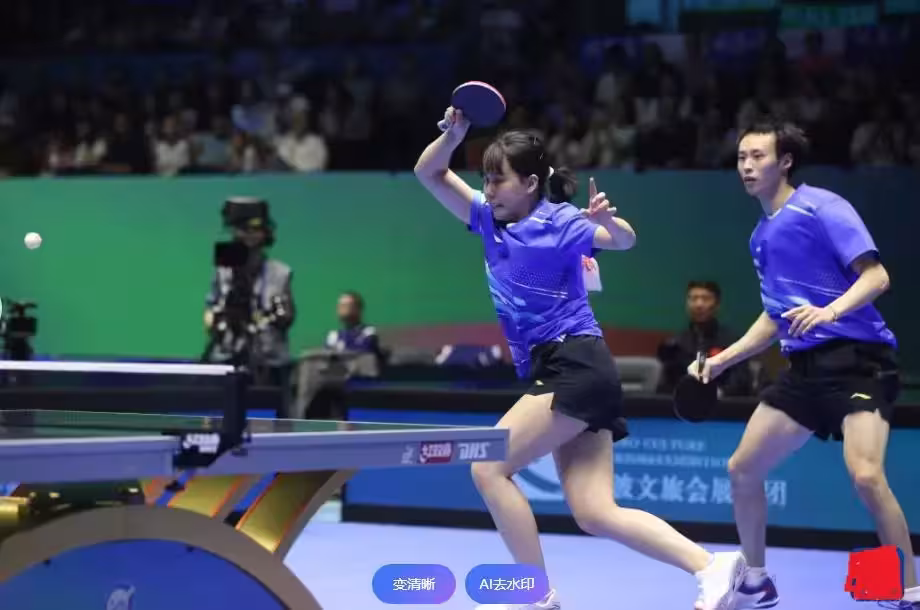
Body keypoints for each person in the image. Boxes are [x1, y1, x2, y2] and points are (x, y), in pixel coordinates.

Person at [414, 107, 745, 610]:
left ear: (530, 183)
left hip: (576, 363)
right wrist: (454, 135)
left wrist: (608, 221)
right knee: (594, 511)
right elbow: (429, 172)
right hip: (566, 368)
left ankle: (534, 593)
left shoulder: (560, 221)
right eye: (485, 178)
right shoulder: (486, 218)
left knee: (488, 468)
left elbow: (624, 239)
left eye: (498, 179)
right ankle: (711, 566)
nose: (489, 188)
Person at [689, 117, 918, 609]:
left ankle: (907, 589)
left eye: (758, 156)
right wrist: (723, 360)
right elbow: (777, 317)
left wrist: (830, 311)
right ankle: (756, 582)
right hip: (805, 371)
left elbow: (876, 277)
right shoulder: (760, 237)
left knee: (865, 475)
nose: (747, 166)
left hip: (859, 361)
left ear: (786, 162)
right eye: (741, 157)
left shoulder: (822, 207)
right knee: (742, 468)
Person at [658, 280, 753, 396]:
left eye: (706, 299)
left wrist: (719, 393)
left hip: (723, 401)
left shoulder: (732, 341)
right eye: (693, 298)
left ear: (717, 305)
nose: (699, 304)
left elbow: (742, 380)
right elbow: (666, 383)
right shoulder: (677, 343)